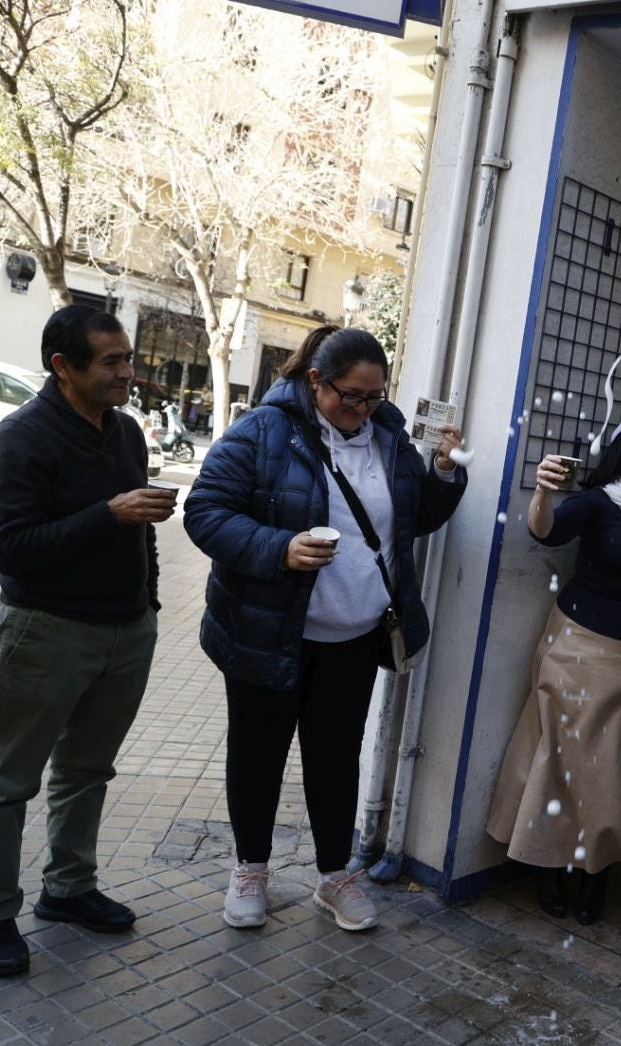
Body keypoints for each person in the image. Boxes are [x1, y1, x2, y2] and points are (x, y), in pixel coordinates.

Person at [183, 326, 466, 932]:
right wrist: (279, 548)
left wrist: (443, 471)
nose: (363, 409)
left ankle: (335, 878)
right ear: (315, 380)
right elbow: (204, 511)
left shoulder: (389, 436)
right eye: (350, 396)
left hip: (356, 637)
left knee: (336, 760)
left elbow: (416, 519)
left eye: (374, 396)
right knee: (257, 756)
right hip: (268, 631)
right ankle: (250, 871)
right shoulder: (263, 431)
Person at [0, 306, 177, 977]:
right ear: (64, 365)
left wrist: (147, 601)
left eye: (127, 358)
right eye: (111, 361)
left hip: (124, 632)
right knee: (8, 782)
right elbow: (12, 551)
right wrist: (106, 515)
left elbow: (137, 529)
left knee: (87, 771)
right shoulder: (22, 438)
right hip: (45, 633)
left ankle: (69, 889)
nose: (127, 372)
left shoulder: (123, 434)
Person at [486, 416, 621, 925]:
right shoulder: (602, 501)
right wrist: (542, 492)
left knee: (620, 775)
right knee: (563, 765)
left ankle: (594, 873)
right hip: (578, 651)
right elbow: (547, 531)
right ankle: (549, 865)